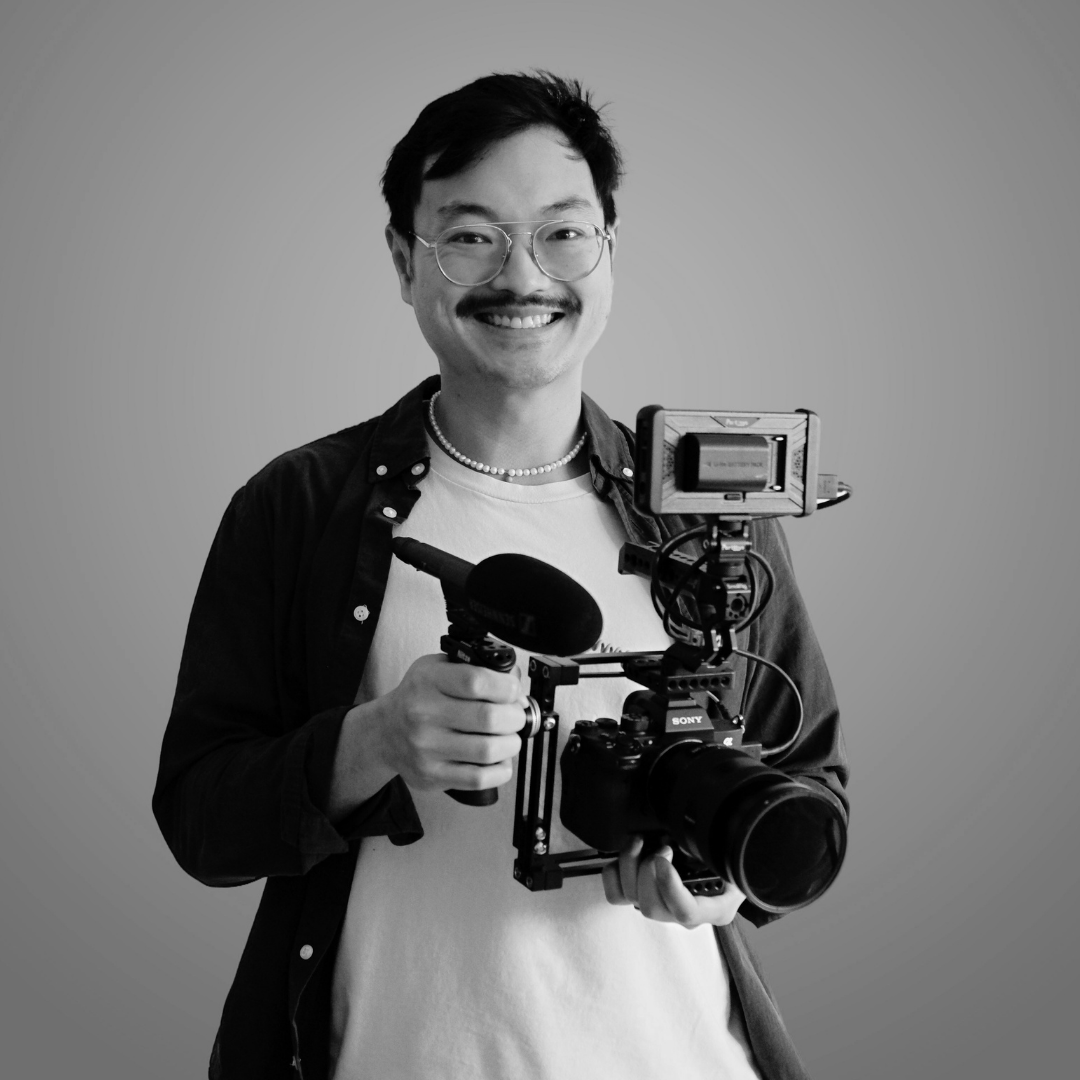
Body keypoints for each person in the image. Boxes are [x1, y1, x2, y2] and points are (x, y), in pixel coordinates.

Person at [153, 72, 849, 1080]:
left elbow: (809, 779)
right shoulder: (297, 507)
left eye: (563, 233)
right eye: (472, 235)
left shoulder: (706, 516)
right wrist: (371, 742)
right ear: (405, 261)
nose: (523, 276)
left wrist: (724, 878)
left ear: (610, 249)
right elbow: (200, 819)